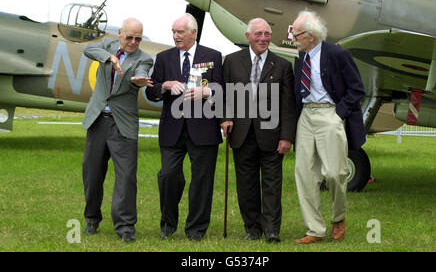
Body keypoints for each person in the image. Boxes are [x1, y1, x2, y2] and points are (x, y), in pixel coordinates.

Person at [145, 13, 223, 241]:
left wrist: (207, 91)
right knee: (168, 175)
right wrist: (165, 85)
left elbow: (223, 89)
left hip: (204, 129)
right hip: (172, 129)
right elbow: (151, 91)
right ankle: (168, 223)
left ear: (193, 33)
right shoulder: (163, 58)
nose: (175, 36)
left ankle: (196, 229)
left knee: (202, 181)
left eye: (180, 32)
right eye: (173, 32)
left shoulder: (213, 56)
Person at [291, 10, 366, 244]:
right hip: (306, 115)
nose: (293, 38)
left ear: (311, 36)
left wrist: (338, 114)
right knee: (305, 174)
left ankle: (339, 217)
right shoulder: (300, 57)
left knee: (335, 173)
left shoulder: (338, 54)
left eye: (296, 34)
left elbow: (357, 89)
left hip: (329, 113)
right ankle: (315, 230)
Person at [221, 18, 297, 243]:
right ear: (248, 37)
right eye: (258, 34)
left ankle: (272, 230)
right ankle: (252, 228)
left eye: (267, 34)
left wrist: (286, 137)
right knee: (246, 185)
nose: (263, 38)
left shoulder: (282, 65)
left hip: (272, 136)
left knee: (272, 185)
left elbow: (288, 106)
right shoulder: (232, 61)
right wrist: (225, 118)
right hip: (241, 134)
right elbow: (225, 95)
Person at [81, 18, 153, 242]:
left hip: (123, 124)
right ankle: (92, 218)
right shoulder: (106, 46)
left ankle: (125, 227)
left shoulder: (144, 59)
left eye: (138, 38)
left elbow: (141, 72)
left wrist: (138, 80)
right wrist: (110, 58)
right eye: (129, 37)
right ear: (120, 34)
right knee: (92, 174)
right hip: (98, 120)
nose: (133, 42)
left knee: (127, 178)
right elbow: (87, 48)